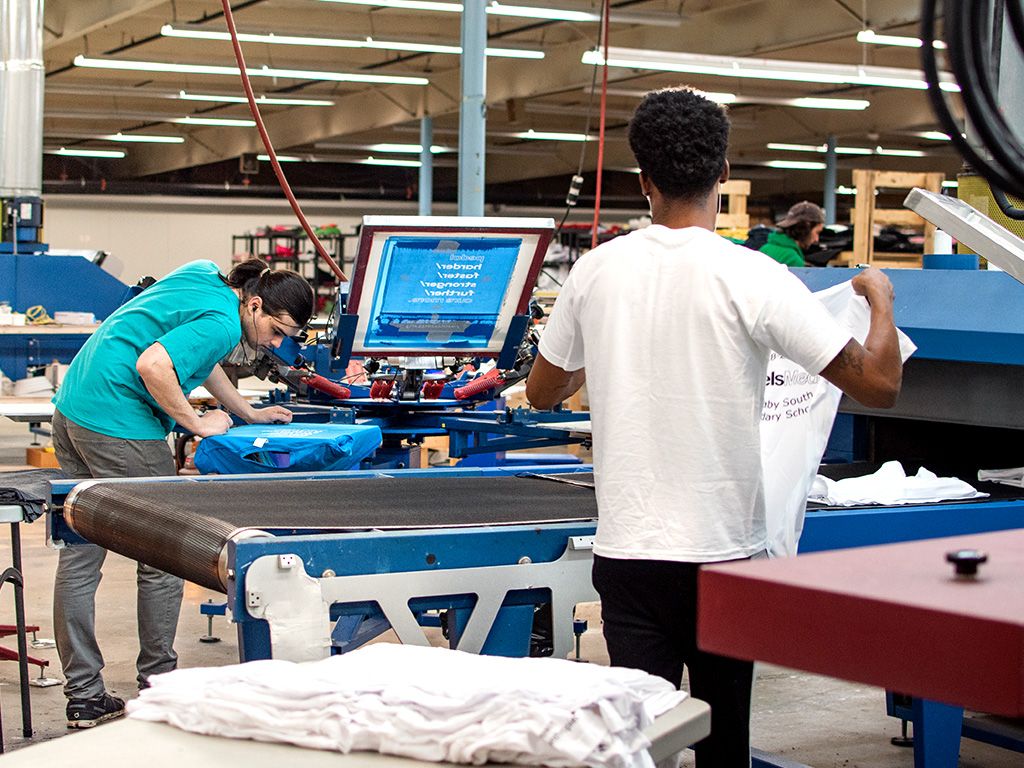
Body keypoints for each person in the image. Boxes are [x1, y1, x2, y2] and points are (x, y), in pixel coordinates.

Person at [525, 87, 902, 767]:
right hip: (725, 555)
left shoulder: (594, 272)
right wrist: (880, 299)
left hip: (630, 552)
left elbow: (542, 392)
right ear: (724, 173)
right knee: (723, 741)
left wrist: (601, 351)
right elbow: (879, 385)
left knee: (640, 745)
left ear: (642, 181)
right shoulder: (756, 276)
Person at [51, 258, 314, 729]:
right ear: (254, 304)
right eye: (276, 331)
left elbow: (194, 355)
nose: (275, 344)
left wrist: (244, 411)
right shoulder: (220, 322)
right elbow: (155, 364)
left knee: (79, 553)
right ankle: (160, 688)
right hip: (118, 423)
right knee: (162, 558)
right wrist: (196, 422)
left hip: (74, 410)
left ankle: (84, 696)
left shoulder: (207, 274)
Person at [759, 200, 826, 267]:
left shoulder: (764, 249)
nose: (816, 239)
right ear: (805, 228)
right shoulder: (792, 260)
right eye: (817, 232)